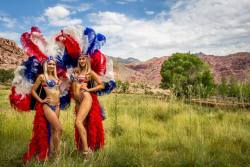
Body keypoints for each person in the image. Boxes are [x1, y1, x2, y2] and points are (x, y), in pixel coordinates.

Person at [23, 56, 62, 162]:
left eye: (53, 64)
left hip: (57, 106)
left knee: (53, 130)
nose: (51, 66)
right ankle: (58, 156)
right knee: (59, 129)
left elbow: (57, 92)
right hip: (48, 106)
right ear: (46, 65)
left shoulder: (57, 79)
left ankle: (51, 152)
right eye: (49, 64)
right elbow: (33, 90)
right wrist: (41, 100)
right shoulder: (42, 77)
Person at [72, 54, 104, 159]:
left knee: (78, 122)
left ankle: (86, 152)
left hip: (86, 98)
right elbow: (73, 86)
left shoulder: (90, 72)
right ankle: (82, 148)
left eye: (83, 59)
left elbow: (101, 84)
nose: (81, 60)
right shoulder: (76, 72)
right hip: (77, 100)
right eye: (80, 58)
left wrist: (89, 90)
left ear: (87, 60)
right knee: (84, 124)